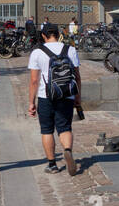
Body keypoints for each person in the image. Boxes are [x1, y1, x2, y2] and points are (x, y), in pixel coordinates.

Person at [28, 23, 82, 175]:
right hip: (66, 94)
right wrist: (77, 97)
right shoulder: (70, 50)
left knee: (47, 130)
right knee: (65, 127)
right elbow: (77, 76)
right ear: (58, 35)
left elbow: (33, 81)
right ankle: (67, 150)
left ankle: (52, 164)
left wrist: (31, 103)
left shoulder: (37, 53)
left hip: (46, 96)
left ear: (44, 36)